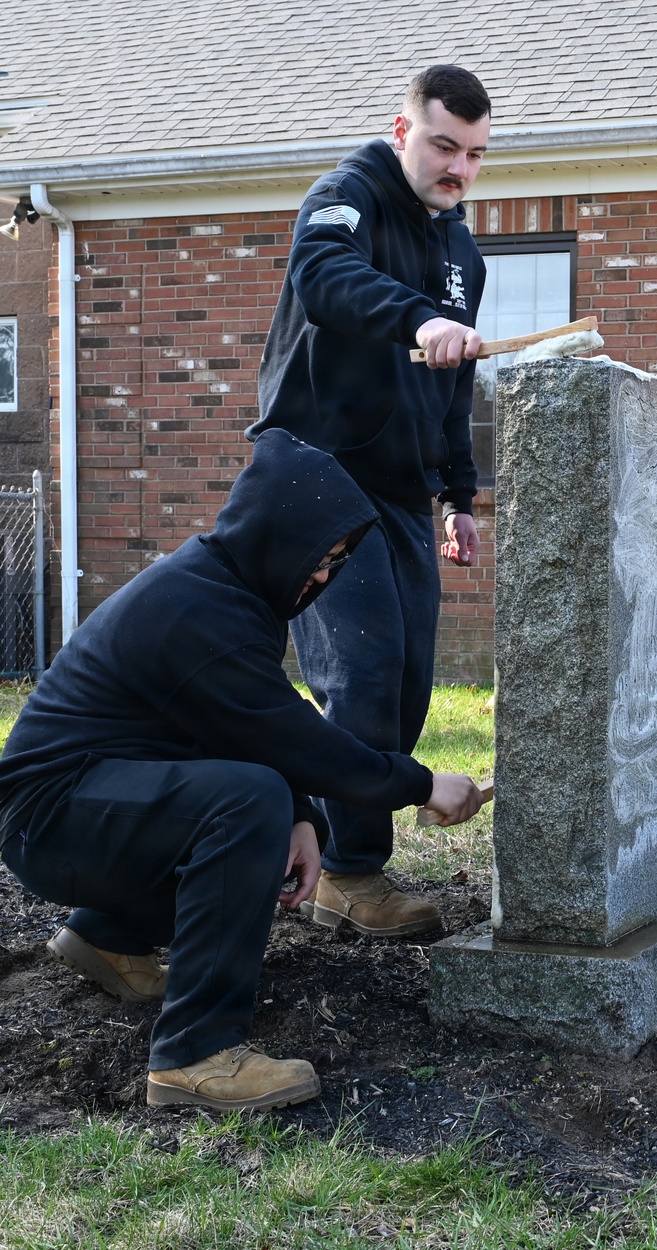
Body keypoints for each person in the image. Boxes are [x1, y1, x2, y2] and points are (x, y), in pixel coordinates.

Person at [0, 429, 484, 1111]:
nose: (323, 576)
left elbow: (247, 725)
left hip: (82, 805)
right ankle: (195, 1053)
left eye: (337, 561)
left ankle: (109, 937)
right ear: (273, 532)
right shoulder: (198, 608)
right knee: (245, 803)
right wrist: (422, 784)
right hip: (49, 818)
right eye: (319, 556)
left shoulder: (228, 590)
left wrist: (303, 818)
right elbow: (296, 739)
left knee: (259, 803)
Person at [252, 64, 492, 939]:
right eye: (442, 145)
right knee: (362, 670)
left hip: (400, 491)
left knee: (406, 682)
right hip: (314, 471)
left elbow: (453, 388)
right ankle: (347, 873)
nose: (458, 167)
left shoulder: (463, 252)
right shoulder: (346, 196)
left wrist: (457, 495)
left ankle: (324, 851)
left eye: (474, 154)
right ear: (402, 132)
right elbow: (322, 276)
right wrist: (417, 319)